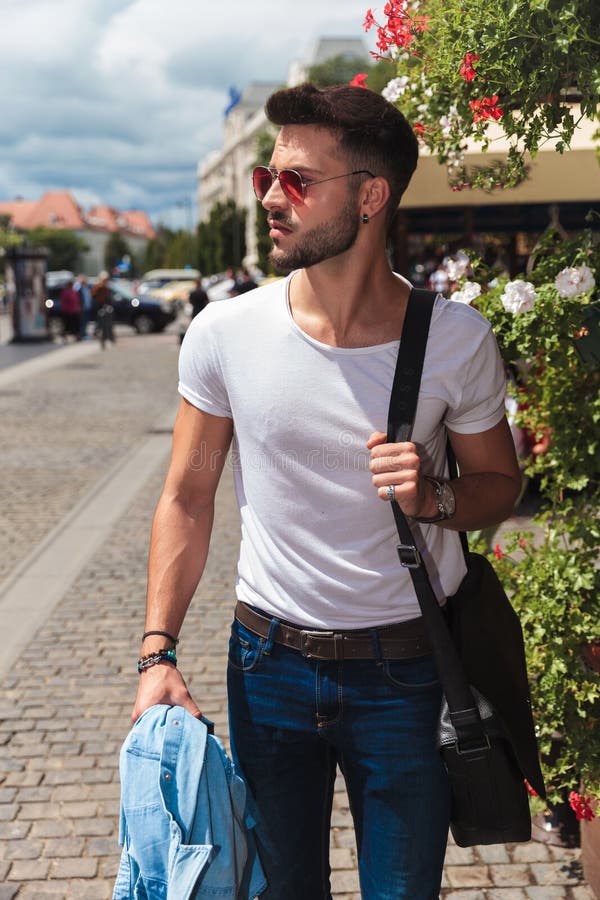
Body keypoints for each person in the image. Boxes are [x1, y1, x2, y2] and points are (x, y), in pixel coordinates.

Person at [131, 83, 521, 900]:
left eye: (298, 181)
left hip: (409, 676)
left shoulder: (455, 340)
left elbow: (500, 487)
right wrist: (157, 651)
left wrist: (435, 498)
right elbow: (188, 498)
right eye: (266, 179)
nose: (273, 197)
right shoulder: (225, 333)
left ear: (372, 197)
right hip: (267, 668)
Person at [92, 273, 115, 349]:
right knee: (101, 326)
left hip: (106, 310)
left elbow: (109, 299)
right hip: (100, 310)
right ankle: (102, 340)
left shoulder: (106, 288)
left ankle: (108, 339)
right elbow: (94, 298)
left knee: (107, 326)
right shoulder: (98, 287)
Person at [75, 274, 93, 339]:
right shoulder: (78, 289)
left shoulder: (87, 288)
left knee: (86, 322)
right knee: (82, 322)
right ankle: (82, 335)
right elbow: (78, 300)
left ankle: (84, 334)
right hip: (82, 309)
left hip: (87, 308)